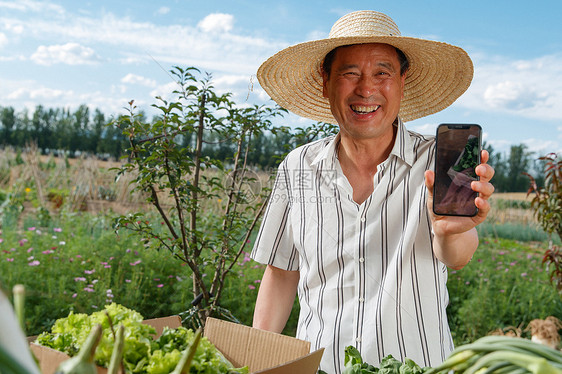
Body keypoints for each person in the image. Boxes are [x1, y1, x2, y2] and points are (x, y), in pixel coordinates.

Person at [250, 10, 495, 374]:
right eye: (350, 74)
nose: (366, 89)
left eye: (382, 73)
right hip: (320, 367)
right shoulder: (297, 166)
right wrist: (255, 362)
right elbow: (282, 272)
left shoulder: (440, 160)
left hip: (419, 367)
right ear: (325, 81)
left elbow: (457, 255)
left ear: (402, 81)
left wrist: (449, 230)